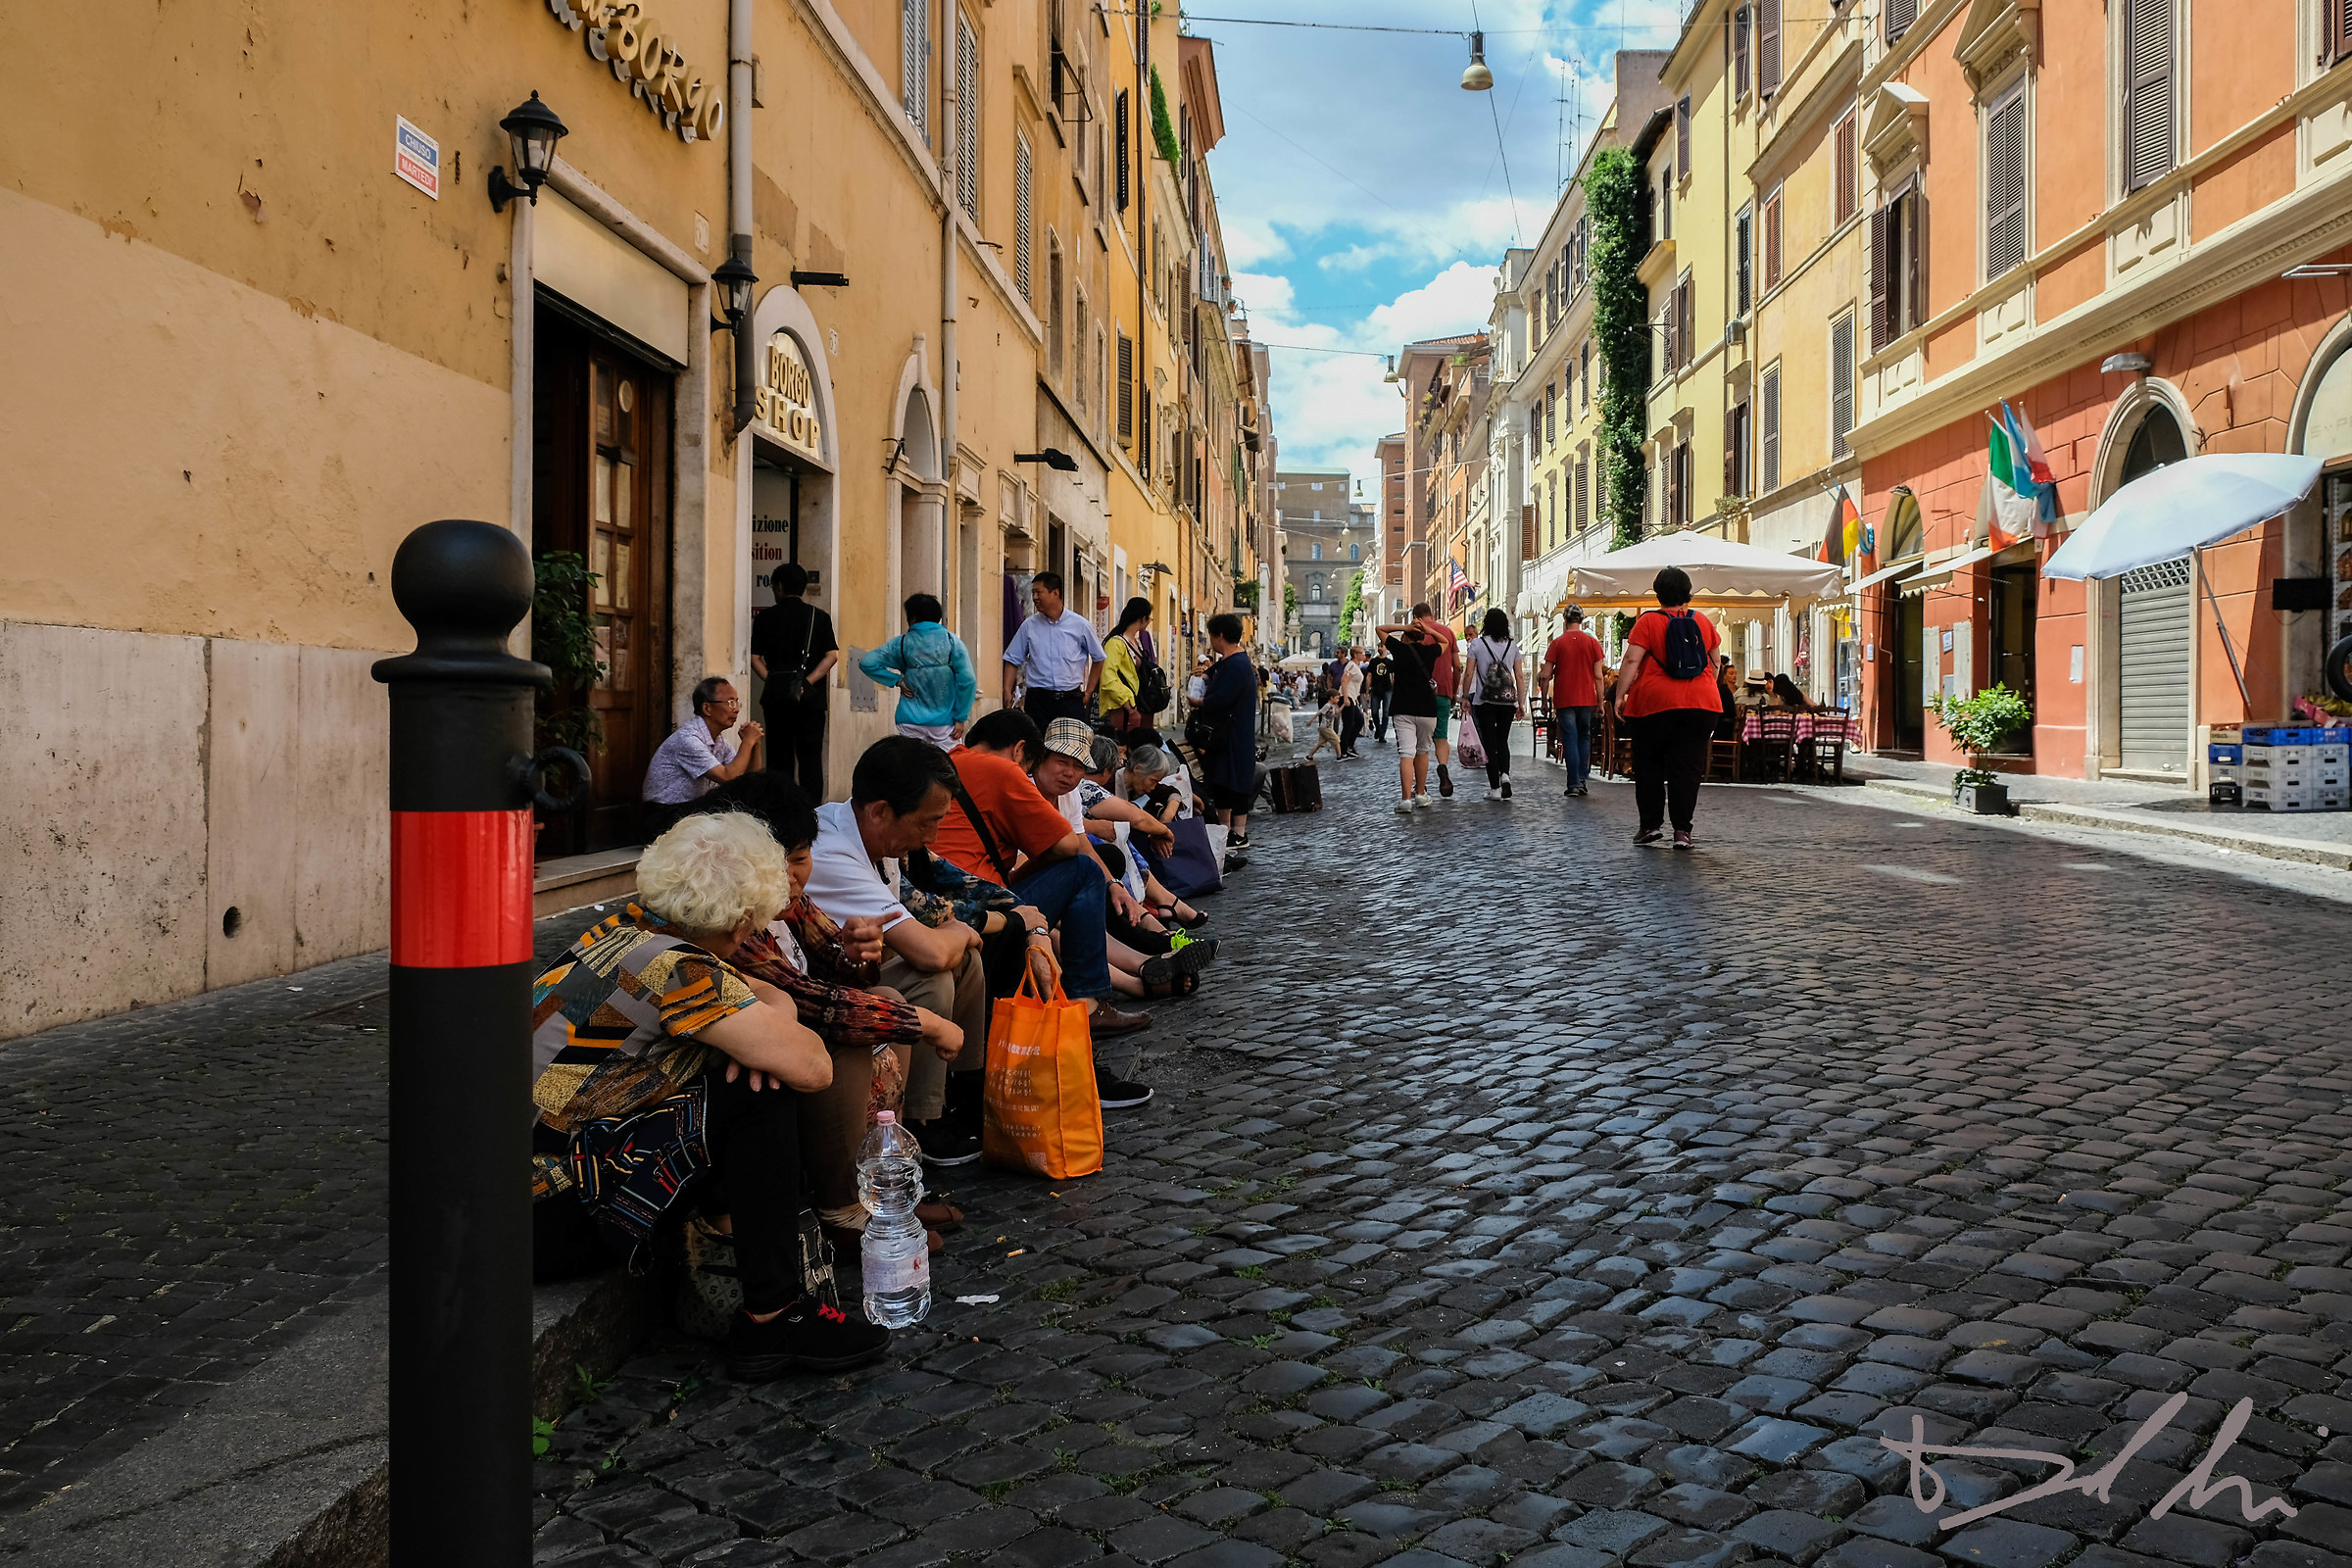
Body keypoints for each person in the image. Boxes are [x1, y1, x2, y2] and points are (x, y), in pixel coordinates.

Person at [528, 812, 889, 1379]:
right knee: (756, 1094)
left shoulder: (618, 935)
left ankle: (737, 1251)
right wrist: (765, 1036)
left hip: (510, 1200)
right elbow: (813, 1066)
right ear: (744, 918)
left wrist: (763, 1025)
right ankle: (774, 1316)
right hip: (549, 1219)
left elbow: (768, 1010)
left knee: (744, 1065)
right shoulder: (684, 971)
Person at [679, 775, 968, 1253]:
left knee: (884, 1004)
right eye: (780, 863)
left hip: (756, 1060)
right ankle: (841, 1203)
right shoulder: (722, 920)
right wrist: (928, 1023)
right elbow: (817, 1005)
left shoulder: (787, 903)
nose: (793, 877)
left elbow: (837, 972)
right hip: (718, 1089)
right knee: (849, 1032)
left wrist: (858, 952)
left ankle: (883, 1184)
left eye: (800, 859)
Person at [801, 738, 996, 1165]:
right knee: (932, 977)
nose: (933, 836)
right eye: (928, 823)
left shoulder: (878, 836)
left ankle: (960, 1095)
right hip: (819, 988)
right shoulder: (830, 851)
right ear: (880, 811)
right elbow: (927, 951)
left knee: (966, 963)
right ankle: (921, 1124)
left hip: (847, 969)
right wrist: (962, 931)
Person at [930, 710, 1160, 1035]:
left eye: (1078, 766)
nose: (1068, 773)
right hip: (977, 906)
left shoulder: (950, 763)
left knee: (1096, 867)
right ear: (1021, 750)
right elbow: (1068, 845)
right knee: (1082, 872)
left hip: (942, 898)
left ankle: (1140, 963)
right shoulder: (1002, 770)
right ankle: (1089, 1002)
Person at [1616, 565, 1725, 850]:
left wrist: (1620, 694)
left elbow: (1631, 661)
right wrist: (1704, 686)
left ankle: (1650, 826)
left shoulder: (1648, 622)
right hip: (1701, 704)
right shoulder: (1702, 621)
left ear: (1658, 592)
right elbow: (1715, 661)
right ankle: (1682, 832)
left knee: (1649, 764)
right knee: (1687, 767)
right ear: (1688, 592)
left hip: (1655, 703)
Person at [751, 564, 839, 800]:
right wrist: (807, 682)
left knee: (780, 758)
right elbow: (832, 655)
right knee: (810, 758)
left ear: (778, 587)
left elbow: (754, 658)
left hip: (777, 699)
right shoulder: (818, 617)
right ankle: (812, 813)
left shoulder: (764, 619)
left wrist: (772, 680)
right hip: (811, 699)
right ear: (803, 587)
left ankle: (782, 809)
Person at [643, 677, 765, 838]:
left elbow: (750, 779)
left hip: (690, 812)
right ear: (707, 708)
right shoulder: (688, 739)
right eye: (730, 702)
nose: (736, 709)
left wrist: (755, 744)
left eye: (737, 703)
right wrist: (747, 742)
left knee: (750, 794)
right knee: (727, 801)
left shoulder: (719, 741)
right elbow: (728, 777)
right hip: (664, 816)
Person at [858, 593, 977, 748]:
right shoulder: (952, 642)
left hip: (909, 721)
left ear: (912, 617)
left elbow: (867, 663)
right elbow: (968, 680)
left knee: (913, 768)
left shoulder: (900, 643)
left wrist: (897, 681)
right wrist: (960, 717)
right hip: (945, 724)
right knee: (948, 768)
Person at [1002, 570, 1105, 727]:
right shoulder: (1029, 626)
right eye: (1033, 593)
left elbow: (1099, 657)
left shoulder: (1080, 625)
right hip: (1038, 700)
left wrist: (1089, 691)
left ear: (1055, 593)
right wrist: (1006, 690)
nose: (1035, 597)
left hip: (1070, 700)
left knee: (1070, 747)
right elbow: (1012, 659)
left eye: (1039, 592)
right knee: (1037, 746)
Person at [1195, 614, 1258, 851]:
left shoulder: (1236, 665)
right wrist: (1206, 674)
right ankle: (1229, 831)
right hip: (1234, 733)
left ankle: (1234, 833)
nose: (1210, 640)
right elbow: (1219, 669)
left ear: (1219, 635)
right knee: (1229, 782)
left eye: (1211, 635)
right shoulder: (1236, 661)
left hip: (1230, 735)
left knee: (1230, 783)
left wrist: (1199, 702)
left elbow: (1221, 699)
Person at [1376, 619, 1442, 813]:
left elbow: (1380, 629)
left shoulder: (1400, 649)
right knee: (1422, 751)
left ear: (1406, 636)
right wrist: (1428, 630)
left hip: (1403, 707)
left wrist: (1405, 627)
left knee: (1406, 753)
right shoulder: (1431, 651)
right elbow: (1445, 641)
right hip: (1427, 709)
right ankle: (1421, 795)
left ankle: (1405, 800)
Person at [1540, 607, 1606, 798]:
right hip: (1587, 699)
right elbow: (1599, 677)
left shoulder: (1557, 643)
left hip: (1565, 699)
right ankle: (1582, 780)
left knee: (1569, 739)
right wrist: (1600, 703)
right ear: (1582, 619)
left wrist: (1544, 700)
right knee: (1584, 737)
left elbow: (1545, 675)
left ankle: (1573, 783)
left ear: (1564, 619)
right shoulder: (1593, 643)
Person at [1463, 609, 1526, 802]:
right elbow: (1520, 676)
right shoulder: (1512, 646)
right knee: (1503, 741)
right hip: (1507, 701)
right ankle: (1505, 775)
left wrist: (1465, 697)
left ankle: (1495, 788)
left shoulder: (1477, 644)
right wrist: (1520, 703)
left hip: (1485, 701)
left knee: (1489, 743)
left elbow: (1468, 673)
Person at [1412, 603, 1462, 797]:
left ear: (1417, 617)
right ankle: (1442, 766)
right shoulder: (1448, 633)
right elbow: (1457, 667)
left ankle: (1420, 785)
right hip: (1443, 692)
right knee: (1441, 737)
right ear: (1431, 614)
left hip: (1420, 694)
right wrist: (1454, 691)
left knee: (1420, 742)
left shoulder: (1415, 633)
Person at [1098, 597, 1163, 740]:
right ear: (1143, 618)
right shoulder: (1116, 643)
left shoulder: (1136, 642)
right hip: (1122, 707)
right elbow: (1108, 677)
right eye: (1149, 619)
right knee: (1122, 748)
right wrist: (1129, 706)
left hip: (1135, 705)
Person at [1338, 649, 1366, 759]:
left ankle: (1349, 745)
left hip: (1352, 697)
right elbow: (1344, 681)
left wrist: (1356, 697)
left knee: (1359, 721)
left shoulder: (1356, 666)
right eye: (1362, 653)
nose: (1363, 655)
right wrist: (1345, 697)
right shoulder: (1351, 665)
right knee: (1348, 724)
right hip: (1347, 696)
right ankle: (1344, 749)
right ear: (1355, 654)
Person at [1304, 687, 1343, 762]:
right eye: (1337, 698)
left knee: (1320, 744)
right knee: (1337, 740)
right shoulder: (1327, 706)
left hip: (1326, 727)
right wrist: (1311, 721)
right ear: (1331, 698)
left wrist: (1343, 705)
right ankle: (1339, 756)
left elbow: (1337, 713)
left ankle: (1309, 756)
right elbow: (1319, 713)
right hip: (1326, 728)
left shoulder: (1333, 706)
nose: (1338, 700)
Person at [1364, 646, 1393, 744]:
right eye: (1379, 646)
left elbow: (1392, 676)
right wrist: (1367, 690)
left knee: (1386, 712)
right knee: (1374, 712)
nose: (1380, 648)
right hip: (1376, 689)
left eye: (1382, 646)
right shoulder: (1373, 661)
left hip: (1387, 689)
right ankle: (1379, 729)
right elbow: (1369, 676)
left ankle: (1382, 735)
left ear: (1386, 648)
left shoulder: (1389, 662)